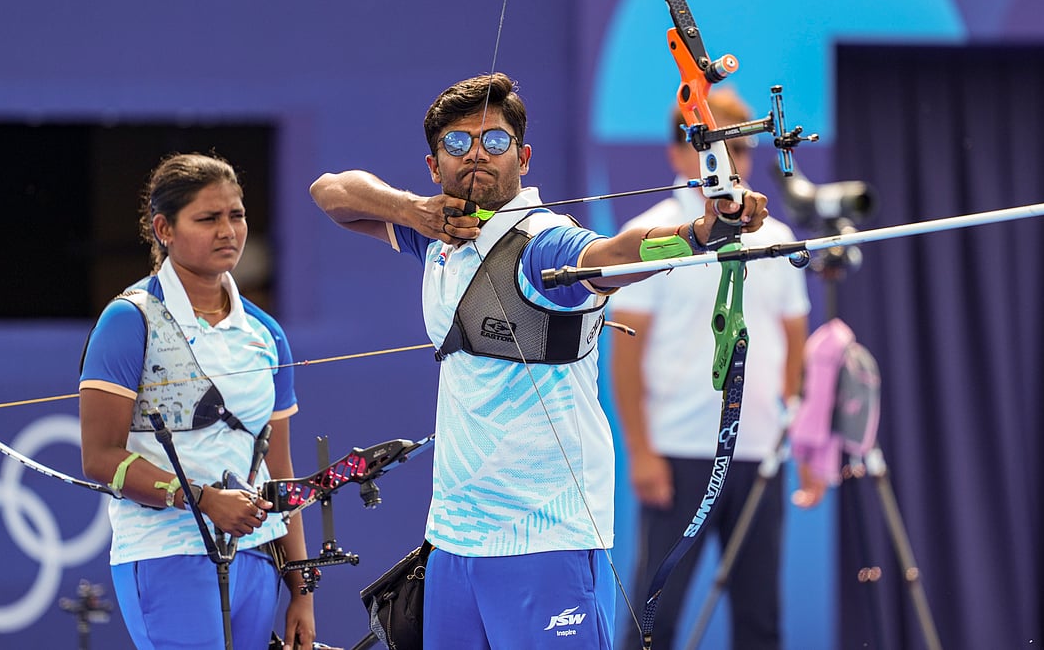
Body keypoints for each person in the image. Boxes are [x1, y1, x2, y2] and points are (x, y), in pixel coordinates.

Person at [308, 72, 770, 650]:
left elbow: (610, 256)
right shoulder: (437, 234)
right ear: (433, 166)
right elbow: (330, 191)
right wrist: (413, 211)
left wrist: (699, 233)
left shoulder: (545, 243)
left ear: (522, 157)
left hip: (543, 539)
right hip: (452, 539)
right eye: (457, 144)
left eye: (494, 142)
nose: (476, 153)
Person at [79, 152, 318, 650]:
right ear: (163, 228)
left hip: (255, 558)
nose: (228, 230)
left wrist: (301, 586)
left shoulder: (266, 333)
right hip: (164, 553)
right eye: (208, 219)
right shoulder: (129, 320)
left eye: (237, 215)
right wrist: (205, 500)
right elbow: (100, 458)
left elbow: (279, 468)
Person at [610, 89, 811, 650]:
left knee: (760, 620)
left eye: (741, 149)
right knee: (656, 620)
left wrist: (789, 425)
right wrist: (643, 452)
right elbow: (625, 353)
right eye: (712, 149)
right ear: (680, 154)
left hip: (760, 456)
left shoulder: (778, 238)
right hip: (679, 455)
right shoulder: (650, 235)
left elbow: (795, 339)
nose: (731, 162)